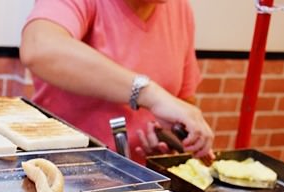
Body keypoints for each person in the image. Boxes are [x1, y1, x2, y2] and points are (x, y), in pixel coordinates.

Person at [20, 0, 215, 164]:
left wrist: (168, 140)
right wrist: (148, 94)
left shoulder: (179, 9)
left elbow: (182, 102)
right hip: (64, 169)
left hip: (137, 180)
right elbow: (39, 47)